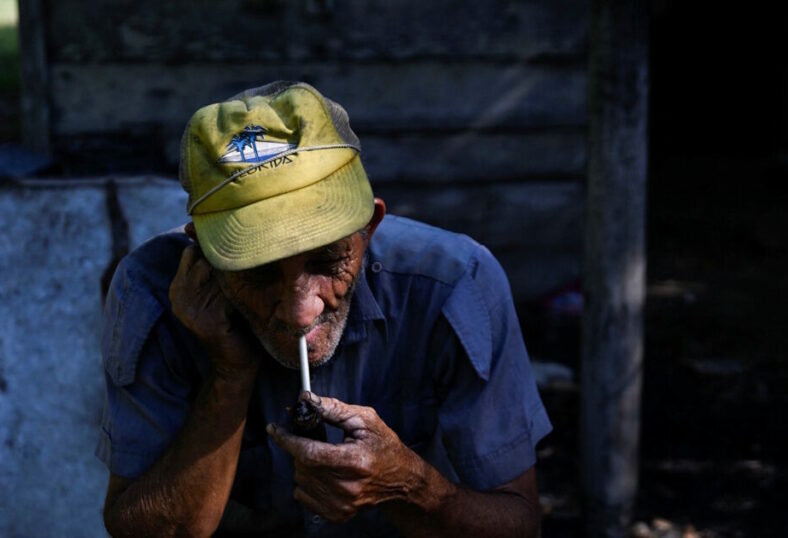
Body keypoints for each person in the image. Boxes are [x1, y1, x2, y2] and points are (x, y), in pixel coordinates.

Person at [97, 81, 552, 537]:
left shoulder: (454, 285)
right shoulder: (152, 293)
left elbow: (518, 526)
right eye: (257, 271)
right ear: (203, 252)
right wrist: (228, 375)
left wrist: (411, 486)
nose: (300, 312)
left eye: (327, 260)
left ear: (369, 228)